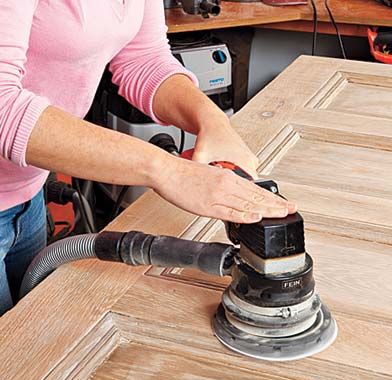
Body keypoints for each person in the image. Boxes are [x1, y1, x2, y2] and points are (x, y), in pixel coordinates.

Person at [0, 0, 296, 315]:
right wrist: (165, 171)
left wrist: (211, 120)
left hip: (27, 190)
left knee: (29, 324)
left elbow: (143, 58)